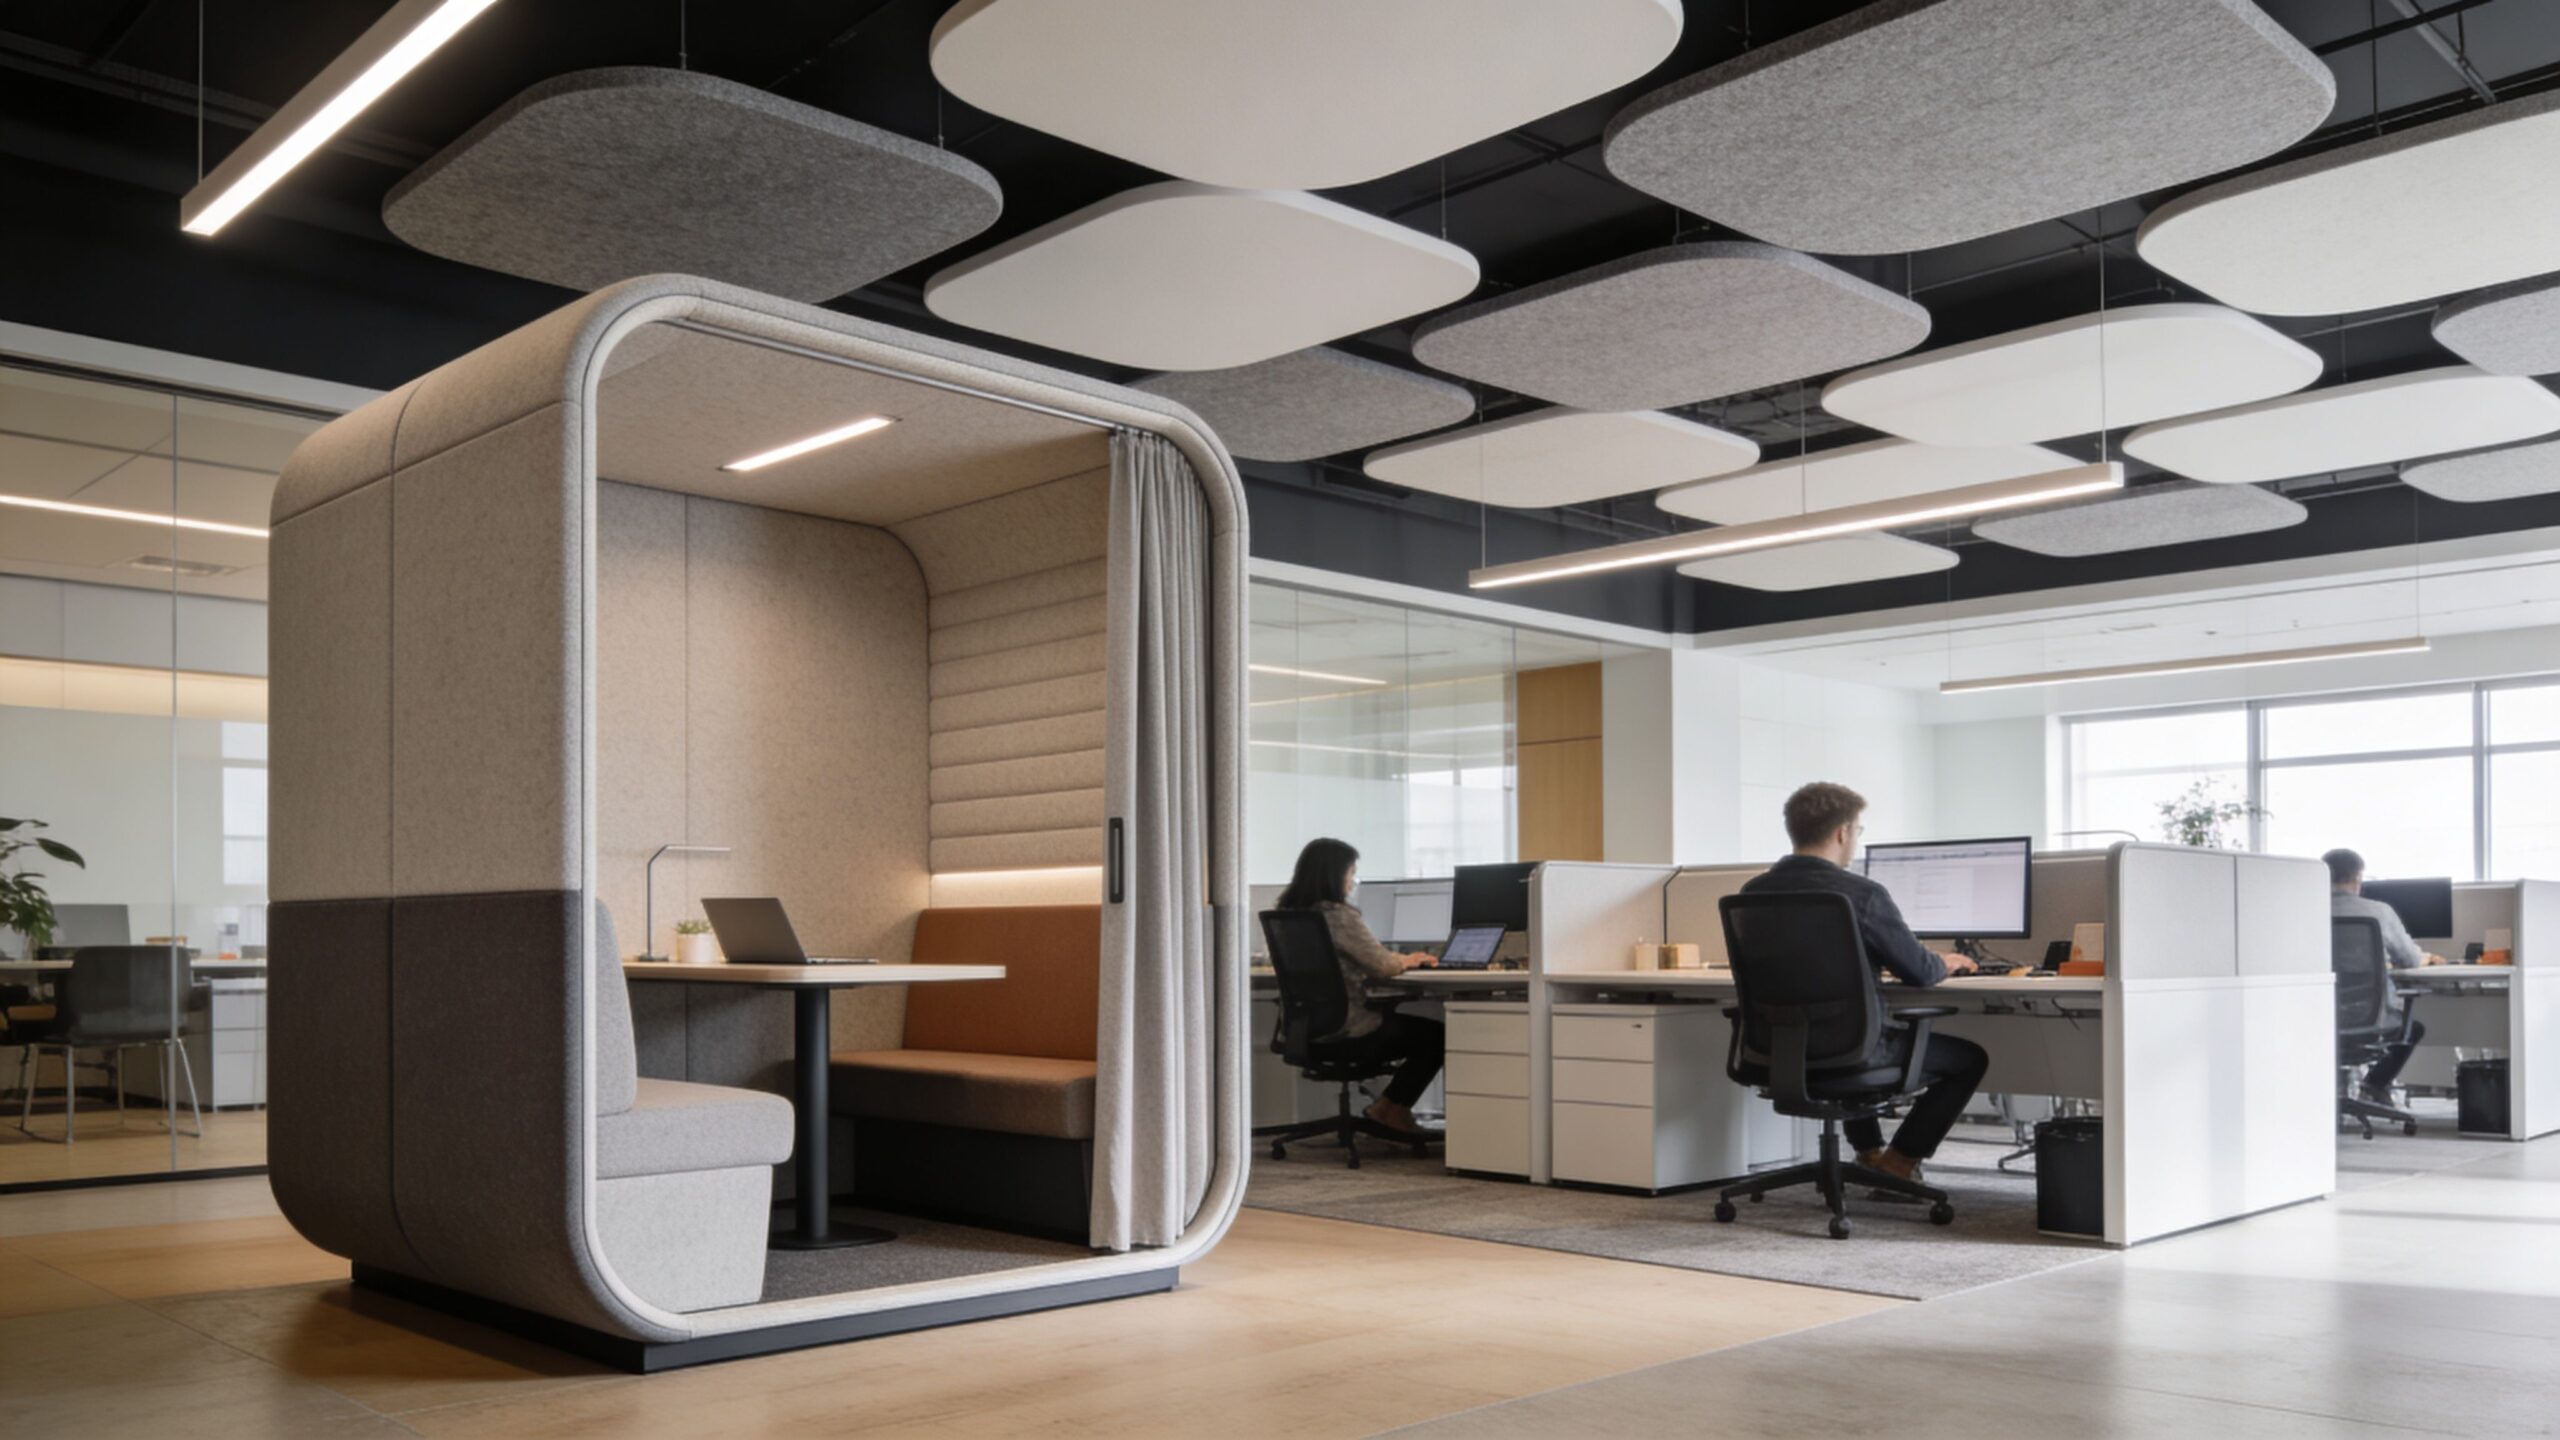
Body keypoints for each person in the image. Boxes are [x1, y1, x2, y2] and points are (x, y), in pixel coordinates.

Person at [1739, 782, 1990, 1191]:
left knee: (1851, 1030)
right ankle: (1898, 1162)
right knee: (1970, 1058)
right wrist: (1946, 960)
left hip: (1775, 1048)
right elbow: (1921, 972)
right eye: (1858, 830)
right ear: (1842, 832)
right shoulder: (1862, 894)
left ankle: (1869, 1152)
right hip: (1850, 1051)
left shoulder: (1753, 892)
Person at [1274, 837, 1444, 1140]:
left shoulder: (1288, 915)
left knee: (1421, 1031)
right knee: (1437, 1035)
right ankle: (1391, 1109)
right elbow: (1382, 966)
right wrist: (1410, 959)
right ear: (1334, 874)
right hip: (1347, 1030)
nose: (1352, 882)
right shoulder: (1339, 916)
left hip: (1303, 1030)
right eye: (1351, 873)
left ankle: (1390, 1109)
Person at [2323, 848, 2444, 1104]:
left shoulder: (2306, 912)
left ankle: (2331, 1097)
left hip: (2318, 1019)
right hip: (2370, 1019)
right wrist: (2426, 958)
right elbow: (2409, 960)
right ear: (2358, 878)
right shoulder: (2379, 911)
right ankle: (2375, 1084)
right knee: (2412, 1028)